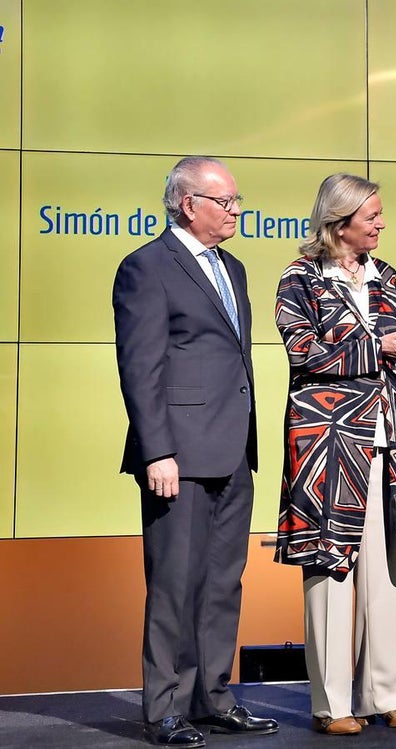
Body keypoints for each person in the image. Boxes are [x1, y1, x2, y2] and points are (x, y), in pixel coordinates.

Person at [113, 157, 278, 747]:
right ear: (189, 205)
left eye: (236, 200)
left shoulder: (232, 267)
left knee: (222, 583)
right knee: (173, 585)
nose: (236, 211)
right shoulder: (146, 267)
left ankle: (213, 697)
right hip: (177, 455)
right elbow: (140, 367)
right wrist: (156, 451)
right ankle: (165, 708)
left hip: (233, 447)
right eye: (225, 201)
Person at [274, 174, 396, 736]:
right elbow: (304, 353)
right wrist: (377, 347)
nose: (381, 224)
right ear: (339, 221)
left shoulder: (385, 276)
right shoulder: (300, 277)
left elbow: (390, 347)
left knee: (385, 569)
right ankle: (332, 705)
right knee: (329, 566)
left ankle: (385, 695)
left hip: (383, 436)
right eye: (371, 216)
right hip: (327, 442)